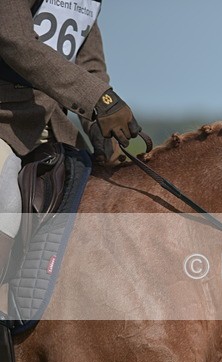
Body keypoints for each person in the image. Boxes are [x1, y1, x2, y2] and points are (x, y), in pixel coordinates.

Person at [0, 0, 141, 277]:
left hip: (55, 126)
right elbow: (13, 38)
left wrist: (99, 129)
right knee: (6, 197)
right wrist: (98, 99)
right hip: (5, 119)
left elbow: (90, 69)